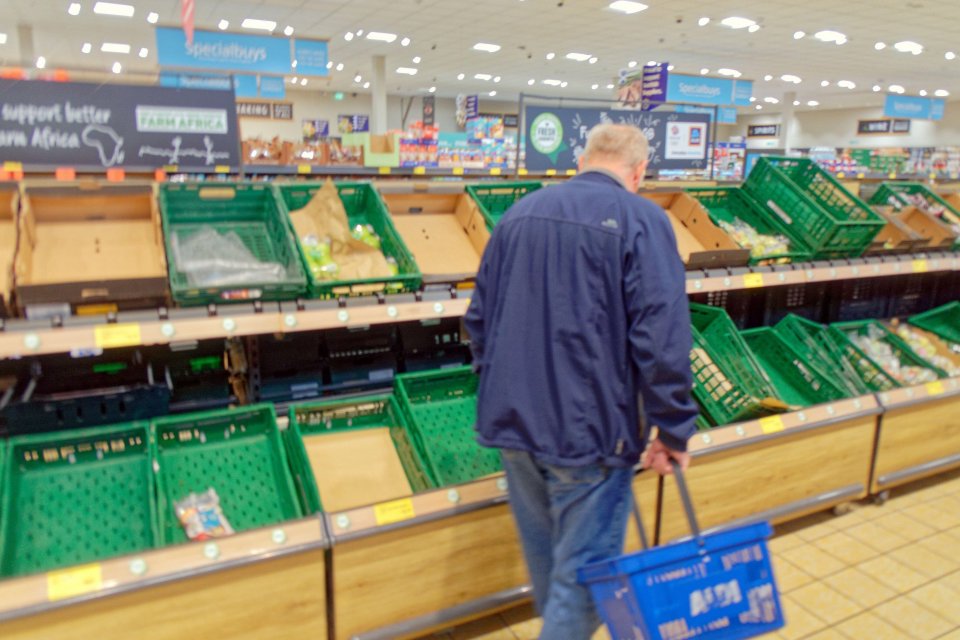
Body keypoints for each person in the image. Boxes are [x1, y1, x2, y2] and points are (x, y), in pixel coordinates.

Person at [464, 123, 698, 639]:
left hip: (513, 426)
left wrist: (501, 383)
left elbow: (479, 318)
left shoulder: (518, 215)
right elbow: (661, 339)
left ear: (585, 159)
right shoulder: (642, 220)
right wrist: (674, 428)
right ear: (639, 171)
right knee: (585, 586)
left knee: (552, 571)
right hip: (589, 434)